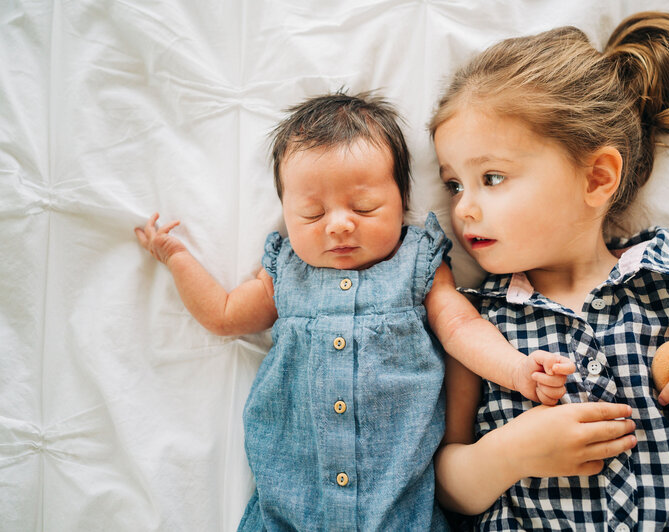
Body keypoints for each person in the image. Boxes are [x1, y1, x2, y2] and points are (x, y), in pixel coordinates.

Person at [134, 92, 603, 531]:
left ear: (402, 203)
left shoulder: (417, 262)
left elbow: (461, 326)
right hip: (292, 504)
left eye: (364, 206)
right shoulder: (283, 271)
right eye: (312, 214)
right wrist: (178, 258)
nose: (338, 225)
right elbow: (222, 314)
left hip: (401, 507)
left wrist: (518, 370)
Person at [429, 11, 669, 531]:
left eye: (491, 177)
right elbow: (446, 481)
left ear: (597, 178)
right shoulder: (475, 324)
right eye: (453, 185)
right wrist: (507, 455)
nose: (464, 208)